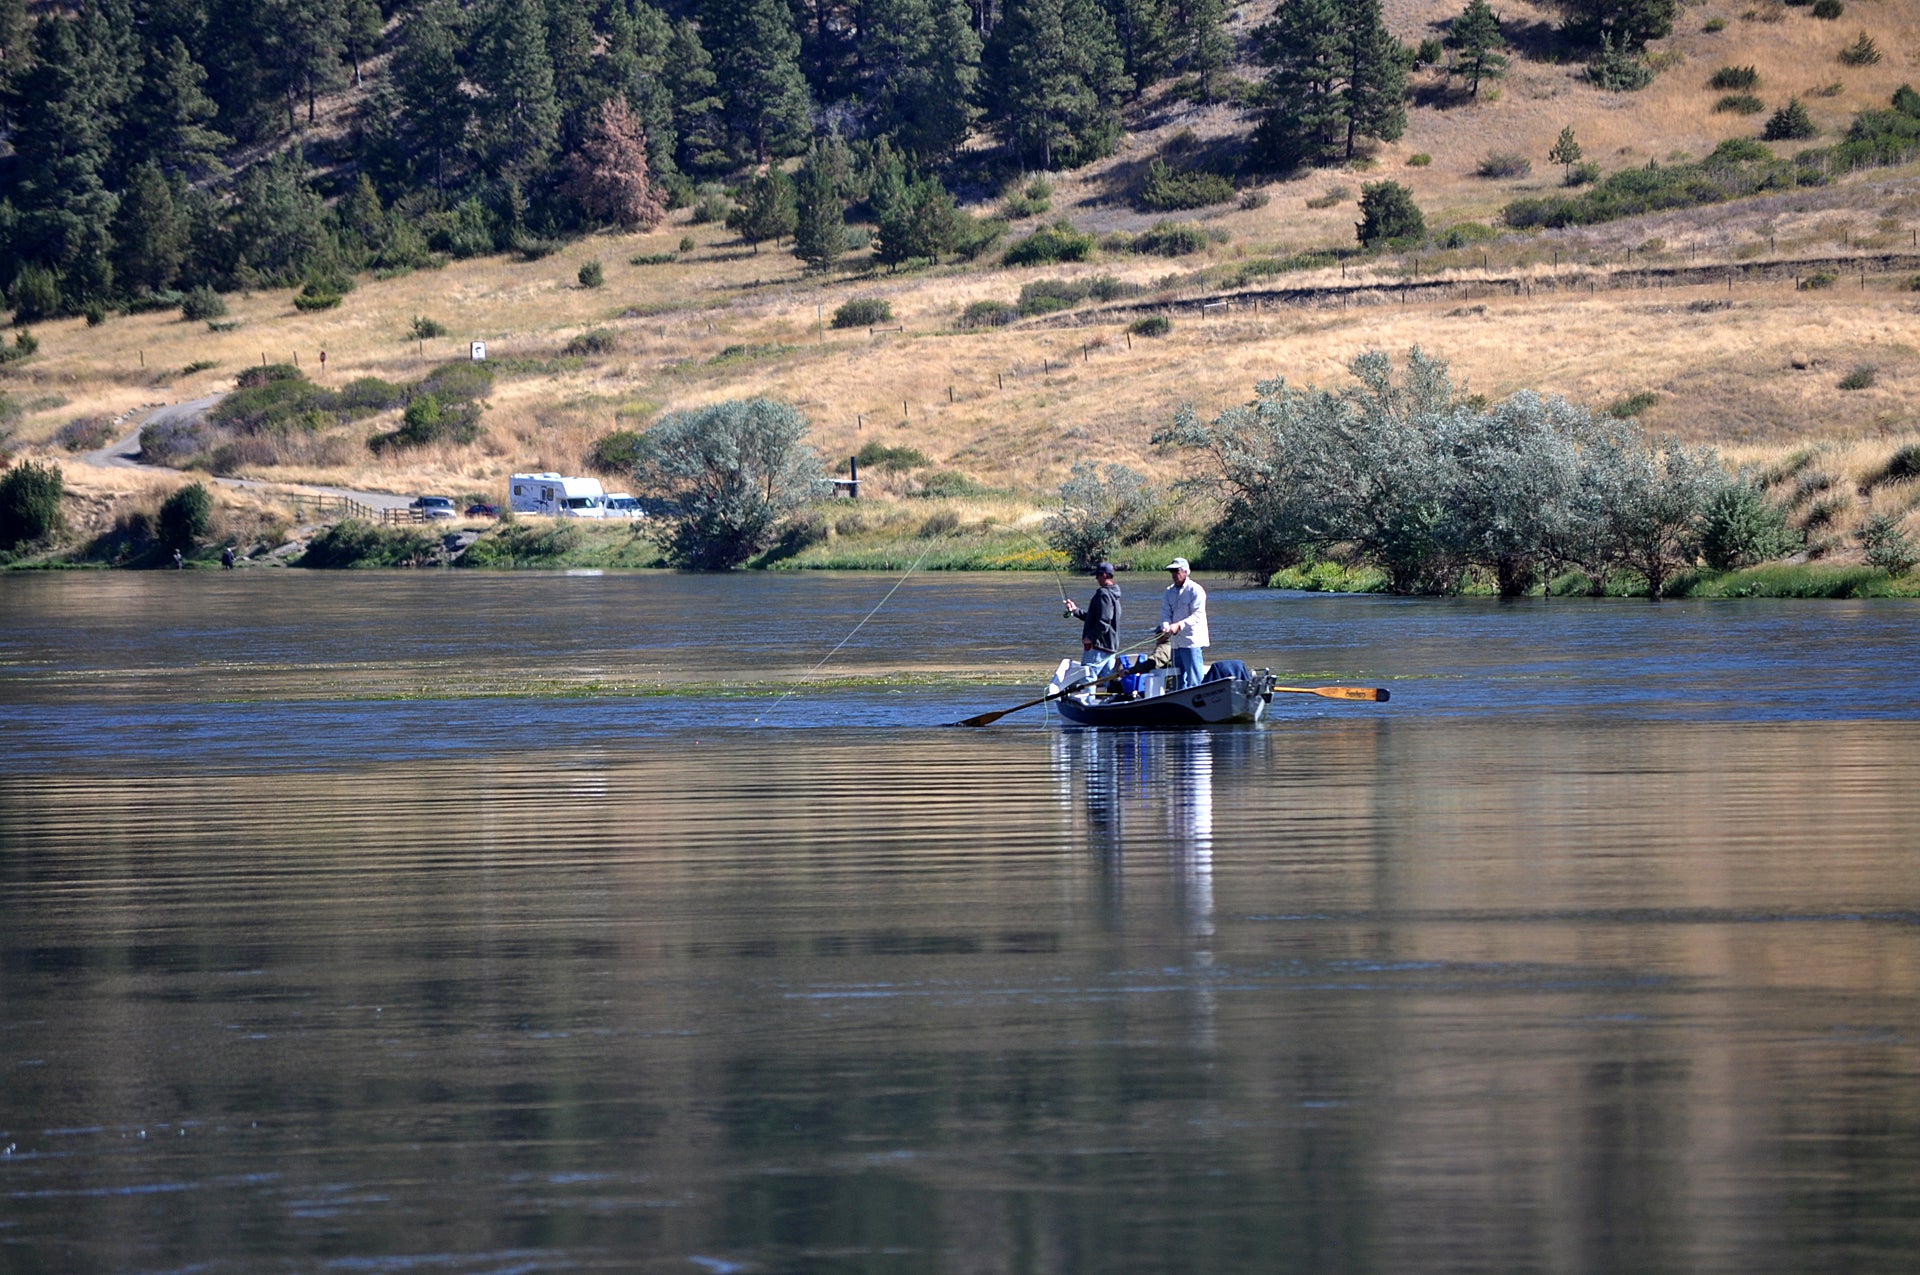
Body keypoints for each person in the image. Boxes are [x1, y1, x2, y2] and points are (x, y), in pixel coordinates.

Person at [1158, 557, 1208, 689]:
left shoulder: (1196, 590)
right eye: (1172, 572)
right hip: (1175, 644)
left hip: (1192, 642)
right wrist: (1165, 626)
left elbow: (1197, 615)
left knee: (1194, 680)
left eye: (1177, 571)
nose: (1174, 574)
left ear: (1186, 572)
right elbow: (1165, 613)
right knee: (1177, 681)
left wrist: (1179, 625)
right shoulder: (1168, 592)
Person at [1062, 562, 1121, 673]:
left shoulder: (1103, 594)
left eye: (1098, 575)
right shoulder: (1114, 594)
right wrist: (1075, 611)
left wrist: (1089, 638)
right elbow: (1096, 618)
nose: (1096, 578)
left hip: (1097, 649)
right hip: (1110, 648)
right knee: (1105, 684)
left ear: (1104, 575)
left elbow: (1104, 622)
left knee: (1088, 679)